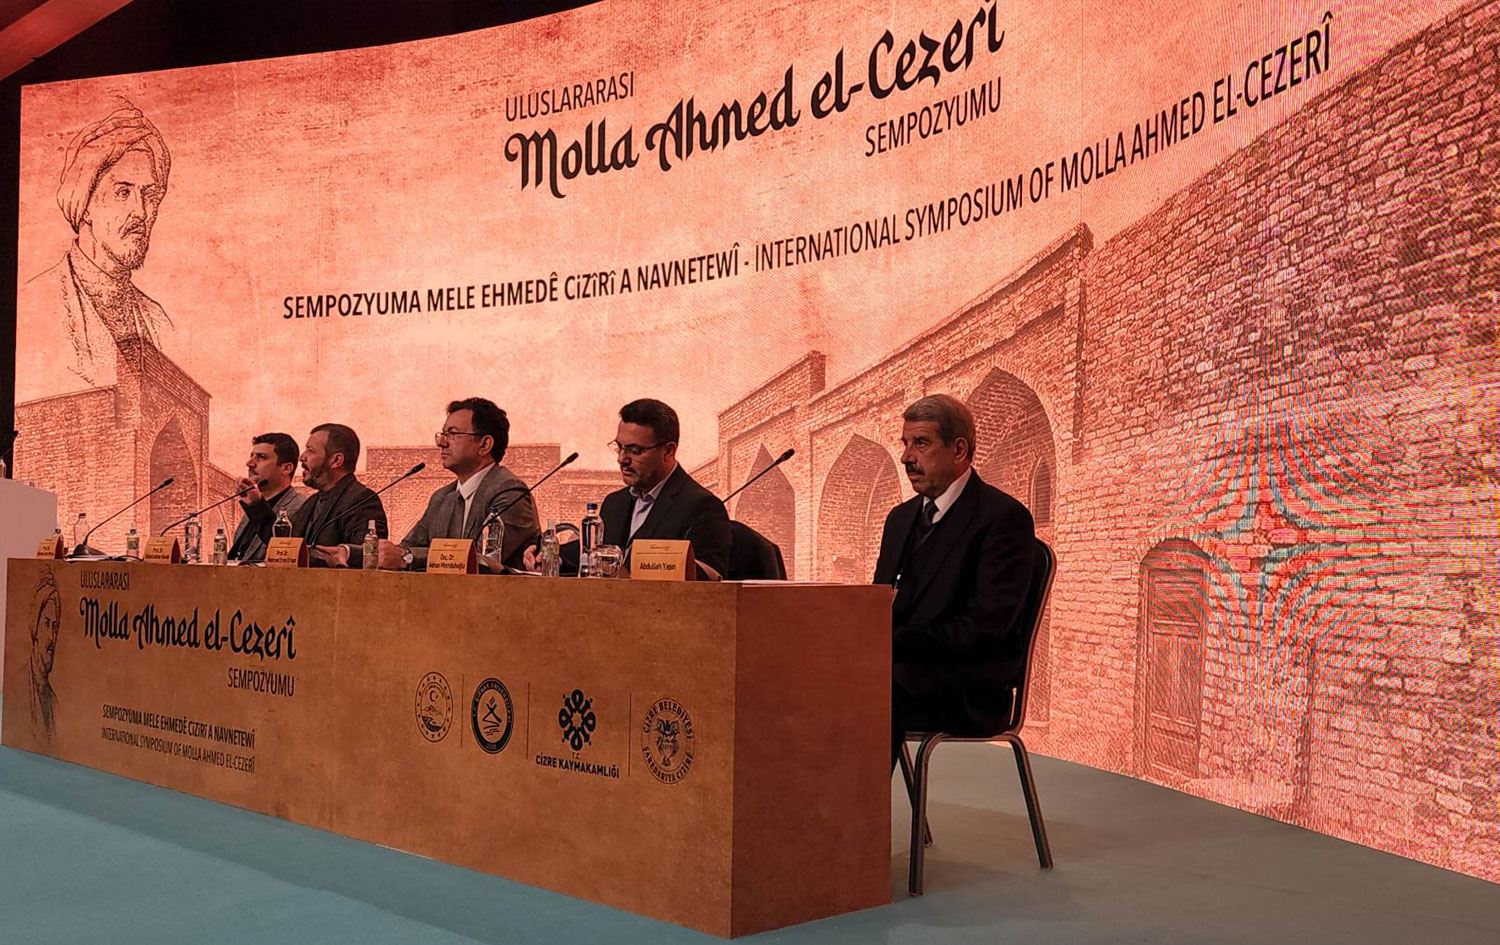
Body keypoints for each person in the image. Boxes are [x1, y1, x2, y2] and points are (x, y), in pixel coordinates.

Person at [873, 395, 1036, 763]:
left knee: (867, 692)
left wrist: (896, 644)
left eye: (921, 443)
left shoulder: (1003, 519)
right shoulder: (899, 519)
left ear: (959, 449)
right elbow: (881, 602)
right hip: (903, 669)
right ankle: (817, 798)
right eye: (905, 443)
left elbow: (985, 627)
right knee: (821, 675)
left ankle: (852, 801)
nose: (906, 457)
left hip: (965, 685)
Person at [17, 100, 173, 400]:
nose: (141, 212)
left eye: (149, 196)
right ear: (85, 203)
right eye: (123, 192)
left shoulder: (159, 321)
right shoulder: (34, 303)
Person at [374, 398, 538, 571]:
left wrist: (407, 557)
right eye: (443, 434)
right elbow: (406, 548)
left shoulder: (510, 492)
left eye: (452, 434)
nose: (441, 443)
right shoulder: (442, 497)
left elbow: (479, 560)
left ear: (484, 444)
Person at [289, 423, 387, 567]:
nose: (302, 457)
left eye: (310, 451)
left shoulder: (362, 501)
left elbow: (366, 559)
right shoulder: (312, 502)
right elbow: (285, 548)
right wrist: (257, 505)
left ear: (336, 460)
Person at [228, 432, 307, 564]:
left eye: (261, 457)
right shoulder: (251, 508)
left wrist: (257, 507)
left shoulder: (301, 507)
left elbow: (287, 555)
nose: (250, 463)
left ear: (286, 468)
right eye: (252, 456)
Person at [31, 570, 62, 742]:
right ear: (35, 627)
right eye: (46, 623)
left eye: (55, 627)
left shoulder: (54, 703)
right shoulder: (18, 686)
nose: (52, 637)